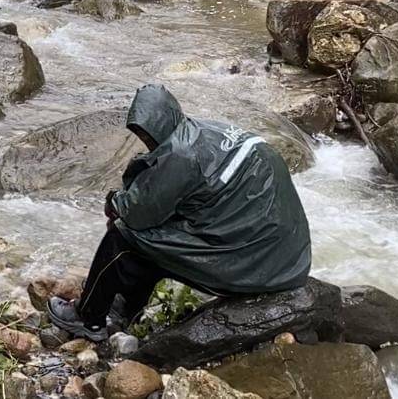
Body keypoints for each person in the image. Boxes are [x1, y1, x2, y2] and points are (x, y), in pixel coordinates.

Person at [48, 84, 312, 341]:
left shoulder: (180, 155)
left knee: (123, 236)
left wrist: (114, 202)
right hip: (289, 258)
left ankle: (88, 318)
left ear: (161, 125)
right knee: (164, 233)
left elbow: (136, 213)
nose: (145, 141)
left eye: (146, 134)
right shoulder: (205, 131)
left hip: (253, 265)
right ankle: (128, 309)